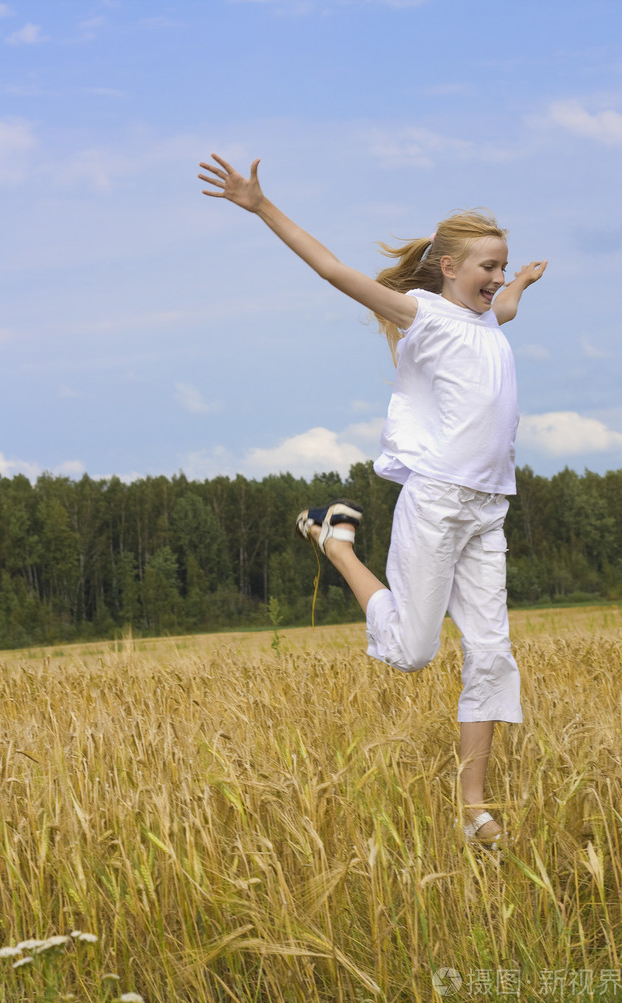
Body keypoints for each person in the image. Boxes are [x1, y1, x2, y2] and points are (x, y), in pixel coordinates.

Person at [198, 153, 547, 845]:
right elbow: (333, 270)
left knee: (492, 653)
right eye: (489, 267)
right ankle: (337, 544)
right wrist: (261, 205)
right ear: (448, 267)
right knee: (412, 652)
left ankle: (472, 807)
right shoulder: (423, 314)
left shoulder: (487, 320)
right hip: (439, 500)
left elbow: (503, 310)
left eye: (504, 266)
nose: (499, 279)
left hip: (489, 507)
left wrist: (525, 284)